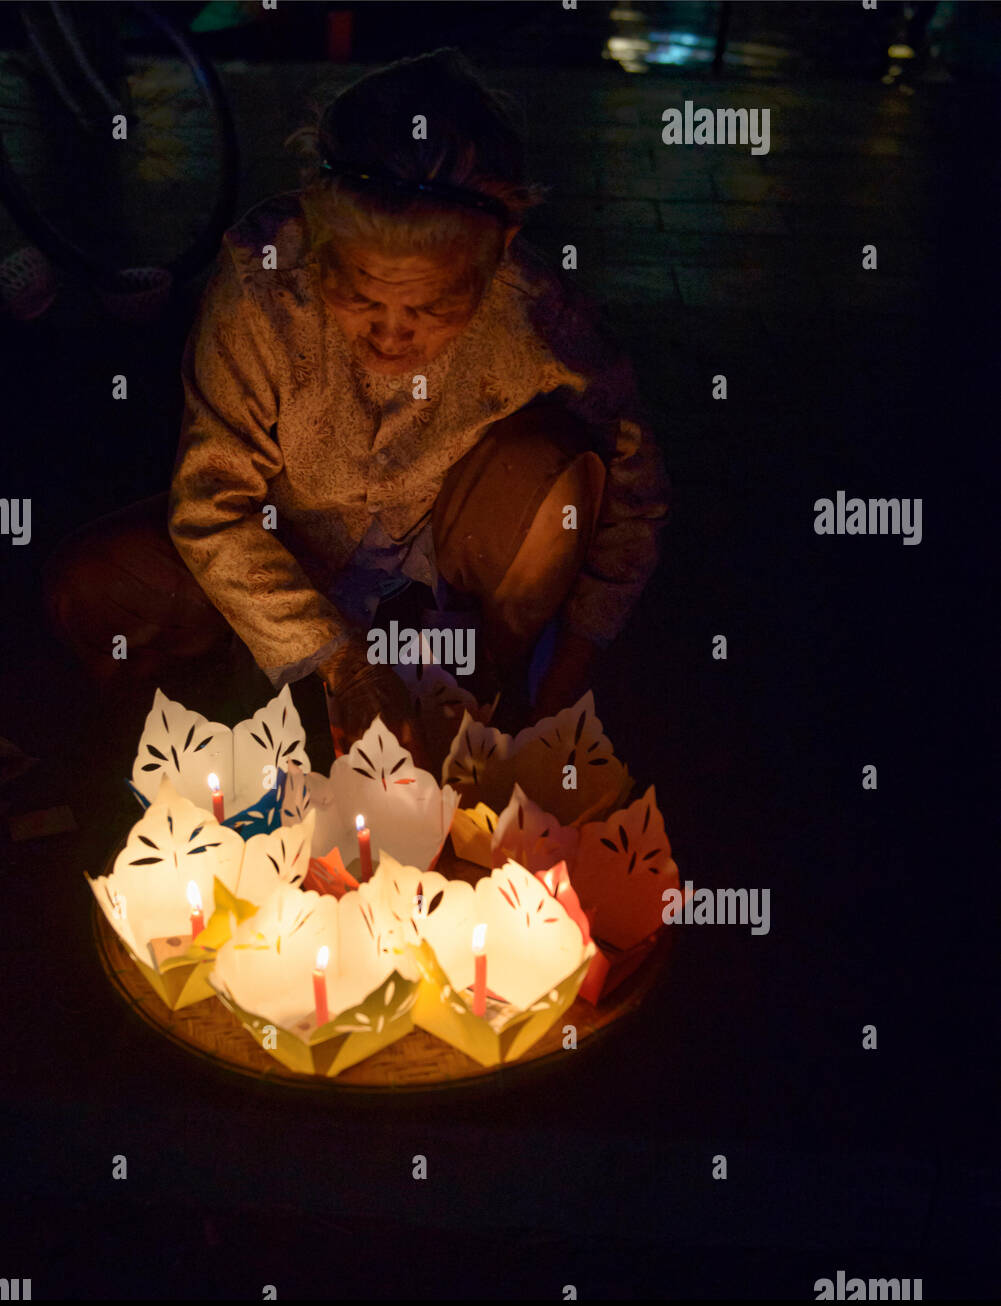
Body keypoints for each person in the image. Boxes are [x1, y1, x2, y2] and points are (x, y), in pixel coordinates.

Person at [43, 48, 670, 768]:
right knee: (89, 589)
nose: (392, 333)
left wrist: (563, 689)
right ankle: (193, 710)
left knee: (556, 467)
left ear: (497, 248)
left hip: (448, 545)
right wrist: (340, 664)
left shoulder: (536, 316)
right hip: (294, 532)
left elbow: (637, 493)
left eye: (433, 304)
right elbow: (210, 503)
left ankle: (490, 669)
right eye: (360, 294)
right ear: (319, 226)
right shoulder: (264, 283)